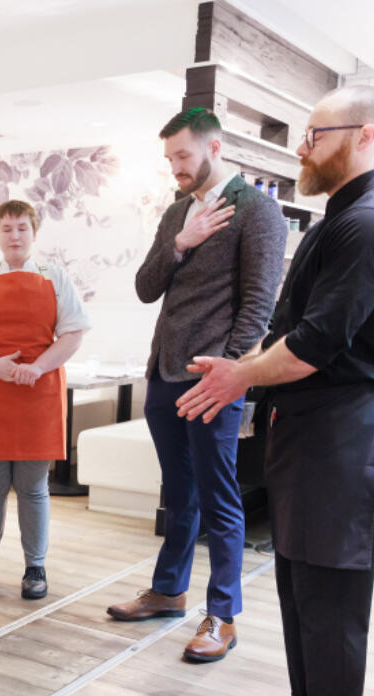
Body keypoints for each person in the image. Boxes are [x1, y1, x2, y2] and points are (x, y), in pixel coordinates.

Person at [177, 85, 374, 696]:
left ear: (365, 136)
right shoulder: (343, 218)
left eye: (315, 134)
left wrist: (237, 376)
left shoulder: (371, 223)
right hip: (315, 430)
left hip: (345, 430)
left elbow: (315, 342)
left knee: (332, 594)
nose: (301, 147)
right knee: (299, 584)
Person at [106, 108, 286, 663]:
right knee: (177, 493)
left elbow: (259, 305)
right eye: (170, 159)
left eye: (183, 156)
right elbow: (144, 287)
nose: (175, 168)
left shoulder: (259, 212)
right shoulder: (176, 213)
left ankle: (223, 615)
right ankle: (168, 591)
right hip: (164, 372)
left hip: (213, 377)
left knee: (220, 498)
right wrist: (179, 243)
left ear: (214, 147)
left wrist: (231, 370)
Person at [0, 200, 89, 600]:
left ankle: (35, 567)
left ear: (34, 233)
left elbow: (73, 333)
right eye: (6, 229)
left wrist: (38, 367)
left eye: (22, 228)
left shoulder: (56, 278)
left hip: (37, 393)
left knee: (33, 487)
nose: (14, 236)